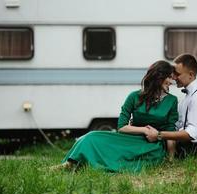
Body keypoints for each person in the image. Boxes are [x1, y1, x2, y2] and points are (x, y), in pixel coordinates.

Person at [50, 60, 178, 172]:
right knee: (90, 137)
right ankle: (70, 163)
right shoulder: (134, 97)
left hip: (153, 147)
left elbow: (170, 131)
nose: (172, 81)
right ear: (159, 77)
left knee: (134, 158)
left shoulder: (172, 100)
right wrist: (144, 130)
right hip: (130, 139)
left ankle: (80, 165)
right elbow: (121, 127)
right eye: (169, 77)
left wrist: (171, 160)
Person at [145, 54, 197, 158]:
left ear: (190, 75)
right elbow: (176, 124)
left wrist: (158, 135)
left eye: (177, 74)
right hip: (188, 146)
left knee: (149, 146)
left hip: (193, 150)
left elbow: (191, 134)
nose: (173, 77)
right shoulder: (190, 95)